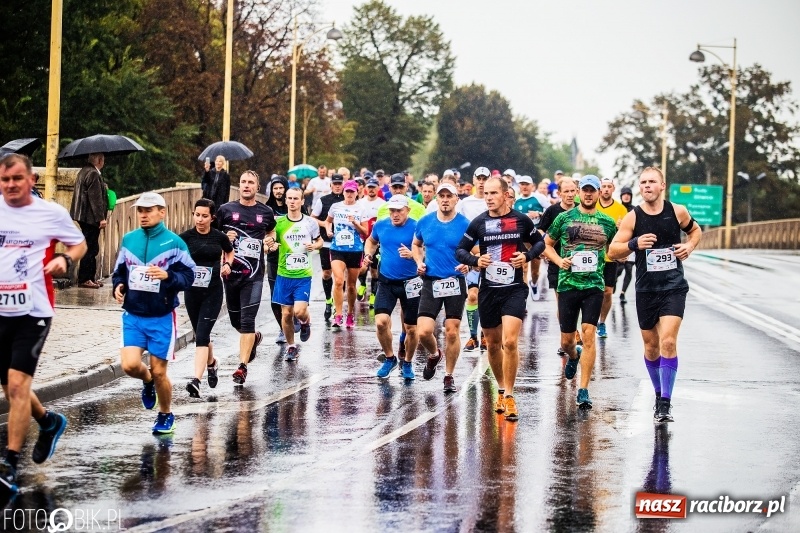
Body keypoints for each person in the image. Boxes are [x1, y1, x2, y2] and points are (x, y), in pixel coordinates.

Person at [0, 154, 87, 494]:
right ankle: (48, 422)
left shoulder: (50, 212)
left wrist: (65, 258)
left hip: (33, 311)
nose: (10, 185)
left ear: (31, 179)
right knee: (9, 386)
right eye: (4, 180)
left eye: (17, 179)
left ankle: (8, 466)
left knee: (18, 386)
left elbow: (80, 243)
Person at [608, 167, 701, 422]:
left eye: (652, 182)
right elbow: (613, 251)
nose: (647, 186)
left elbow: (695, 231)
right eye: (643, 182)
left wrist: (689, 246)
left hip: (673, 286)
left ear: (662, 185)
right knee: (651, 346)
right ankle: (658, 390)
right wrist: (633, 244)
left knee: (668, 342)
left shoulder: (677, 211)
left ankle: (664, 402)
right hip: (646, 288)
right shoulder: (633, 218)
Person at [456, 177, 544, 421]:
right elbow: (460, 250)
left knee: (510, 342)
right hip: (489, 290)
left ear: (506, 195)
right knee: (493, 344)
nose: (489, 197)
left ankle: (510, 395)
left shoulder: (520, 220)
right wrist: (476, 261)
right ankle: (501, 388)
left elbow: (539, 243)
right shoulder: (479, 223)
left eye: (494, 193)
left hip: (514, 288)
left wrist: (526, 257)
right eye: (486, 193)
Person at [111, 191, 196, 433]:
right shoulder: (129, 240)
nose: (143, 214)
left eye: (148, 210)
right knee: (129, 366)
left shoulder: (175, 243)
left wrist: (168, 275)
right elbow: (119, 272)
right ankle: (146, 381)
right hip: (133, 315)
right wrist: (118, 286)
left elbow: (189, 276)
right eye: (140, 210)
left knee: (160, 372)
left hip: (161, 317)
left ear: (162, 212)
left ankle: (166, 414)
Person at [543, 175, 617, 411]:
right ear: (578, 193)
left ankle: (583, 389)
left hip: (594, 285)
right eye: (584, 190)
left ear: (598, 194)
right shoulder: (565, 218)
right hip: (568, 285)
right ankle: (573, 357)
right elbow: (546, 244)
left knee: (589, 335)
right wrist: (558, 260)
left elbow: (614, 248)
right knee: (567, 341)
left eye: (592, 191)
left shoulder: (607, 222)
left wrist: (621, 254)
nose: (588, 194)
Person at [217, 171, 277, 385]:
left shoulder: (266, 212)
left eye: (251, 182)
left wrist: (269, 243)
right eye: (243, 182)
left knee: (247, 320)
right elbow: (213, 237)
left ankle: (242, 367)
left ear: (257, 187)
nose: (246, 185)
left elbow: (271, 233)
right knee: (236, 321)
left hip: (254, 275)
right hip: (230, 274)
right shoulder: (225, 210)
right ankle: (254, 338)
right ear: (239, 185)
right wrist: (225, 238)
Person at [412, 183, 471, 393]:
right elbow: (416, 244)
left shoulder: (465, 224)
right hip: (431, 280)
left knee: (452, 332)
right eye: (442, 196)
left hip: (455, 281)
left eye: (449, 196)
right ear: (436, 199)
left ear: (456, 199)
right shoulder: (425, 222)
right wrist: (419, 262)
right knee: (424, 331)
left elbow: (477, 249)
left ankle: (448, 375)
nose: (445, 200)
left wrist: (469, 263)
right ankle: (435, 354)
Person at [179, 199, 234, 398]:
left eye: (204, 216)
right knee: (201, 334)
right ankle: (212, 363)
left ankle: (196, 381)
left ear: (212, 217)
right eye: (197, 215)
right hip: (192, 293)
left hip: (213, 292)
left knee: (202, 336)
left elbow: (229, 251)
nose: (200, 219)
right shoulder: (185, 238)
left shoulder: (219, 237)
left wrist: (227, 264)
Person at [365, 195, 420, 379]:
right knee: (380, 322)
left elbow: (428, 249)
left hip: (412, 283)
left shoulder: (417, 227)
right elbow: (371, 241)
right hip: (387, 281)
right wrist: (368, 254)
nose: (395, 214)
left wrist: (414, 255)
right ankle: (390, 358)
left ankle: (408, 362)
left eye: (399, 211)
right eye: (392, 211)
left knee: (411, 328)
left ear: (407, 210)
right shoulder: (381, 225)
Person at [273, 187, 323, 361]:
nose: (292, 201)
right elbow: (270, 241)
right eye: (290, 198)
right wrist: (269, 246)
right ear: (285, 200)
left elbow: (320, 241)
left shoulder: (310, 223)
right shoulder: (278, 223)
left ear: (302, 201)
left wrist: (314, 246)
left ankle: (305, 322)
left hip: (303, 275)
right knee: (286, 313)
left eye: (296, 198)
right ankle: (292, 346)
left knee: (300, 311)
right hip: (284, 274)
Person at [538, 178, 579, 356]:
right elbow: (540, 230)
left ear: (577, 192)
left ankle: (575, 332)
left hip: (580, 264)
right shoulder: (553, 211)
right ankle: (567, 338)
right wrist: (540, 246)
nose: (570, 195)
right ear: (559, 193)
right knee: (562, 303)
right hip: (557, 263)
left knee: (579, 300)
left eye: (572, 191)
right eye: (566, 191)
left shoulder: (582, 210)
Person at [326, 180, 368, 329]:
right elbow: (327, 222)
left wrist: (355, 223)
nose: (349, 194)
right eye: (347, 191)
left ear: (357, 193)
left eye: (352, 191)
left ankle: (350, 314)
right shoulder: (335, 207)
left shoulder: (361, 209)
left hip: (355, 250)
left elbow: (366, 232)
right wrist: (328, 230)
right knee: (338, 281)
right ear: (343, 192)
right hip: (337, 248)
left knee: (351, 286)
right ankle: (338, 315)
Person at [460, 166, 491, 352]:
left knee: (487, 297)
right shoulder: (465, 204)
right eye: (478, 178)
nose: (481, 182)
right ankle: (473, 336)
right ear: (473, 180)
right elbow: (461, 232)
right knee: (472, 295)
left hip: (492, 255)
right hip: (472, 256)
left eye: (484, 178)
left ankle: (485, 334)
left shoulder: (493, 201)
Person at [594, 177, 629, 338]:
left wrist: (620, 229)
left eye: (609, 186)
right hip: (593, 255)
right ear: (599, 189)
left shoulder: (621, 209)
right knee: (591, 291)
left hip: (610, 257)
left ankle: (601, 322)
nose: (606, 189)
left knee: (607, 292)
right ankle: (589, 321)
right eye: (604, 186)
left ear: (613, 189)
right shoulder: (592, 204)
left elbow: (627, 233)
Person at [69, 152, 108, 289]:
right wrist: (101, 219)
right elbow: (95, 199)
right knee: (90, 248)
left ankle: (90, 277)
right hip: (90, 218)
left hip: (82, 216)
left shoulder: (84, 171)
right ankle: (85, 278)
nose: (103, 162)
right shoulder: (93, 173)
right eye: (102, 159)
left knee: (91, 246)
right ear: (99, 160)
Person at [311, 174, 344, 321]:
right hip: (326, 242)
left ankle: (339, 306)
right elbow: (312, 217)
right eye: (335, 184)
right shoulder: (323, 200)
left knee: (340, 276)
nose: (337, 186)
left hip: (343, 244)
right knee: (326, 273)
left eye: (339, 184)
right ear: (331, 185)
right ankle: (328, 300)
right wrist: (325, 224)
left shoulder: (347, 200)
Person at [265, 175, 292, 343]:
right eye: (275, 188)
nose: (278, 191)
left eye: (281, 188)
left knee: (291, 293)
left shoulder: (295, 205)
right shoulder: (267, 209)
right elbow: (261, 230)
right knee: (275, 294)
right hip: (274, 256)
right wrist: (267, 243)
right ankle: (282, 328)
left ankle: (293, 318)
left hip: (292, 256)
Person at [514, 175, 546, 301]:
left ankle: (534, 283)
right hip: (521, 238)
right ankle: (524, 298)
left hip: (535, 238)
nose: (524, 187)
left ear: (532, 186)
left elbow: (550, 213)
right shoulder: (516, 201)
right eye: (522, 184)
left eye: (527, 184)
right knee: (523, 267)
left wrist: (538, 214)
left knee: (535, 271)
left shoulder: (539, 198)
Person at [356, 178, 385, 307]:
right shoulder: (360, 203)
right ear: (366, 188)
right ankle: (362, 284)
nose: (372, 189)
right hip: (362, 239)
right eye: (370, 187)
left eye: (374, 187)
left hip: (376, 241)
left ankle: (373, 295)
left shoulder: (383, 204)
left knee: (374, 271)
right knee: (362, 268)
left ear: (378, 188)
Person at [617, 186, 636, 303]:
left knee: (629, 269)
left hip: (631, 244)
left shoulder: (635, 210)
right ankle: (612, 284)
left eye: (629, 194)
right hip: (619, 244)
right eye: (624, 194)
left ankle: (622, 293)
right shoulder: (618, 209)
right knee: (618, 270)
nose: (626, 196)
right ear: (621, 196)